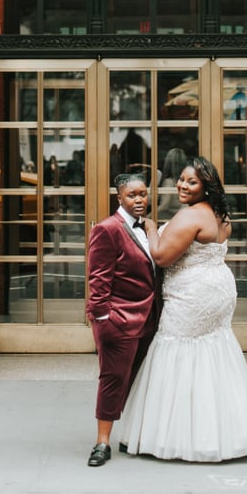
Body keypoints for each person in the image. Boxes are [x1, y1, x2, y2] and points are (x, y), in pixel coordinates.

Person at [119, 156, 247, 462]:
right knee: (213, 353)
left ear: (206, 186)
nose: (183, 185)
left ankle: (173, 436)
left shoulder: (190, 217)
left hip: (192, 295)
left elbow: (161, 256)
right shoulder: (221, 215)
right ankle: (223, 433)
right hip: (219, 291)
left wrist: (149, 227)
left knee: (176, 352)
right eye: (182, 179)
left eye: (192, 181)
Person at [85, 171, 160, 467]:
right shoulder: (108, 229)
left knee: (139, 381)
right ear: (119, 198)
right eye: (132, 195)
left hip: (148, 320)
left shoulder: (148, 227)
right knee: (113, 380)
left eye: (143, 194)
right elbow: (98, 279)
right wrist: (104, 319)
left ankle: (134, 434)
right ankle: (102, 443)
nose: (139, 199)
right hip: (118, 320)